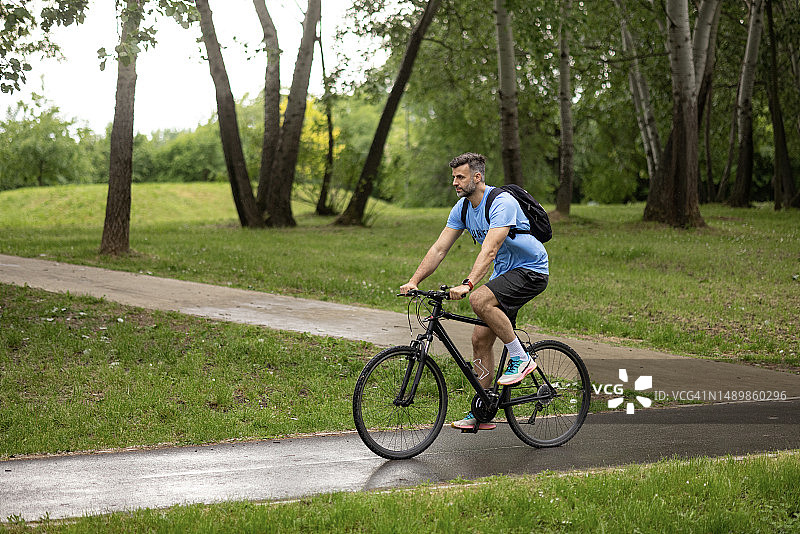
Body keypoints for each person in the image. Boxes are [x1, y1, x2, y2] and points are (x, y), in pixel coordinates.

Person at [400, 152, 549, 430]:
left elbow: (490, 249)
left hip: (531, 270)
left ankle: (520, 357)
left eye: (460, 177)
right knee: (480, 339)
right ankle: (484, 409)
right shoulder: (463, 209)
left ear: (477, 177)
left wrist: (468, 285)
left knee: (480, 299)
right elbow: (439, 248)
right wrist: (414, 281)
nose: (455, 182)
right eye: (453, 177)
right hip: (505, 274)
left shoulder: (501, 203)